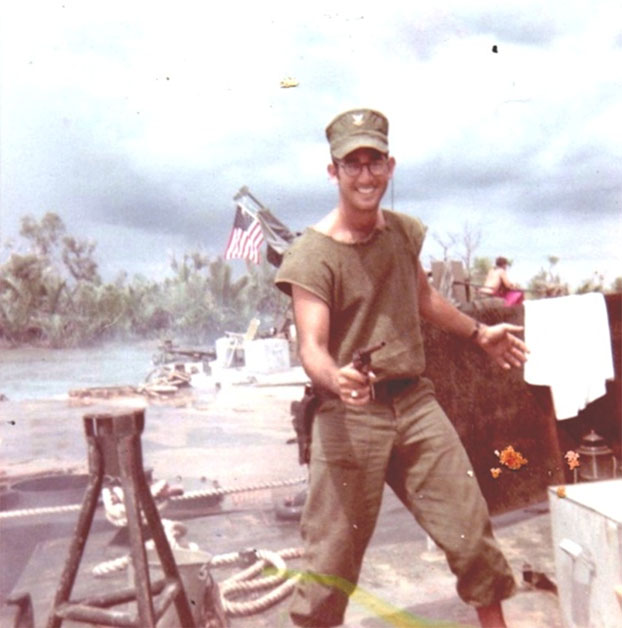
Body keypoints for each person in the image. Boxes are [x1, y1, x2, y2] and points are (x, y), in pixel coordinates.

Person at [275, 108, 528, 628]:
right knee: (330, 565)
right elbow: (313, 348)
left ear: (390, 167)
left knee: (471, 533)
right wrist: (337, 379)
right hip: (349, 418)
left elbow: (422, 297)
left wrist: (480, 334)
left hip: (414, 404)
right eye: (353, 165)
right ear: (334, 172)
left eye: (374, 163)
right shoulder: (311, 255)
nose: (365, 176)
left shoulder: (403, 234)